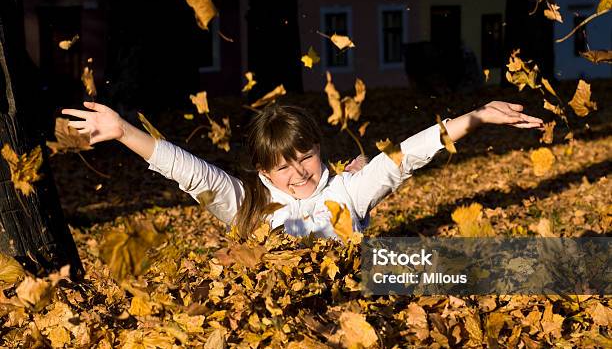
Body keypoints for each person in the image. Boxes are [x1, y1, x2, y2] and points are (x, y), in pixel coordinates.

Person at [61, 101, 544, 240]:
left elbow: (404, 157)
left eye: (305, 157)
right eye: (282, 165)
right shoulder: (248, 204)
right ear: (262, 168)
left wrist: (474, 118)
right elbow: (192, 172)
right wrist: (125, 131)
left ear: (319, 147)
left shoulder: (350, 189)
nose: (299, 174)